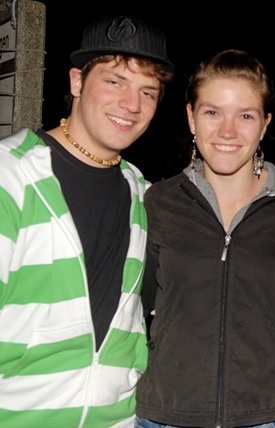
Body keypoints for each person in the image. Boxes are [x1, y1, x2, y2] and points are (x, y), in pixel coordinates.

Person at [135, 49, 275, 428]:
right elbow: (135, 309)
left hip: (270, 414)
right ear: (191, 117)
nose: (228, 131)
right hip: (167, 412)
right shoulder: (158, 201)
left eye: (245, 116)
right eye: (212, 112)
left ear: (264, 125)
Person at [0, 15, 173, 427]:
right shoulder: (11, 177)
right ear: (77, 82)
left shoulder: (143, 195)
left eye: (147, 91)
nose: (132, 104)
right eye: (115, 81)